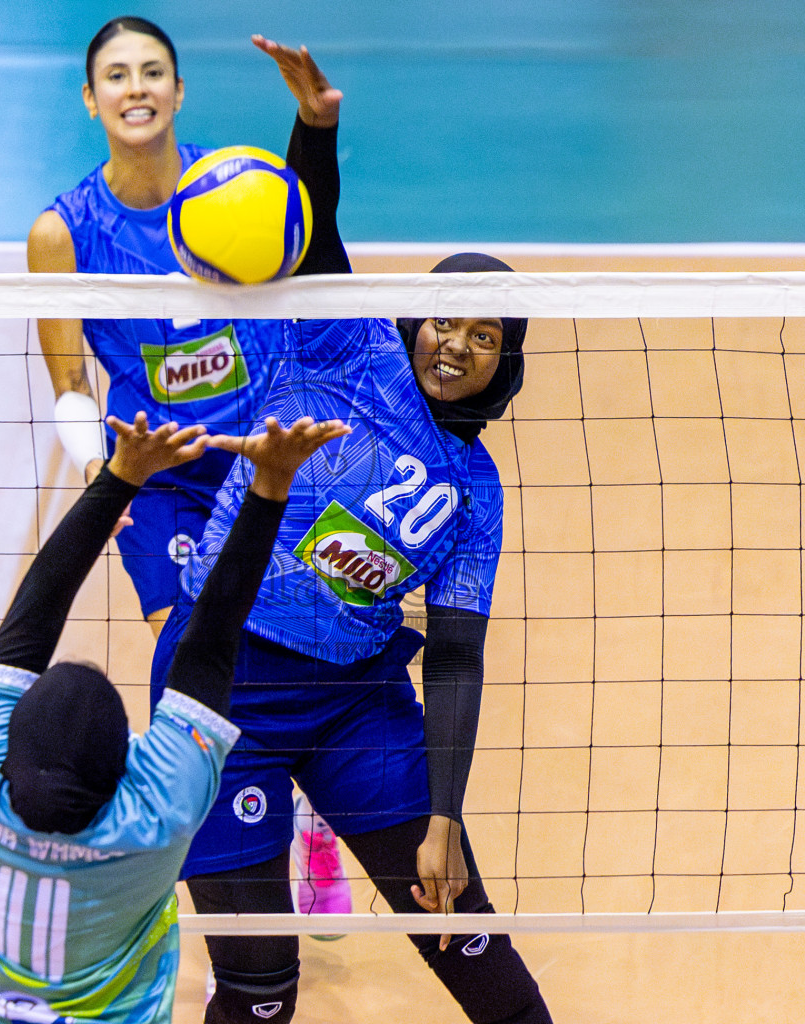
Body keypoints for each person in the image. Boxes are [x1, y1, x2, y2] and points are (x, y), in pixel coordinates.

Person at [147, 229, 551, 1018]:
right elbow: (317, 230)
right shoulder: (348, 341)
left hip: (356, 703)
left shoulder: (477, 489)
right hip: (224, 692)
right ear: (414, 320)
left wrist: (446, 816)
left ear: (506, 360)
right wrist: (318, 128)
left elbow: (457, 656)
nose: (455, 345)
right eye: (444, 321)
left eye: (484, 336)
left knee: (470, 942)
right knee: (260, 992)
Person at [27, 17, 355, 919]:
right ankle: (219, 851)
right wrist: (106, 477)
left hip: (267, 454)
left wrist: (315, 129)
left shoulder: (240, 187)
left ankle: (304, 811)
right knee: (190, 648)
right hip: (164, 472)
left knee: (289, 639)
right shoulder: (63, 233)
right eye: (117, 76)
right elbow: (68, 381)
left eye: (153, 73)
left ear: (177, 92)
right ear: (91, 99)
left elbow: (317, 262)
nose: (136, 88)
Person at [0, 411, 349, 1024]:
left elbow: (34, 617)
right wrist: (272, 479)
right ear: (126, 766)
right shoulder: (154, 818)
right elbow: (210, 638)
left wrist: (120, 475)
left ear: (6, 753)